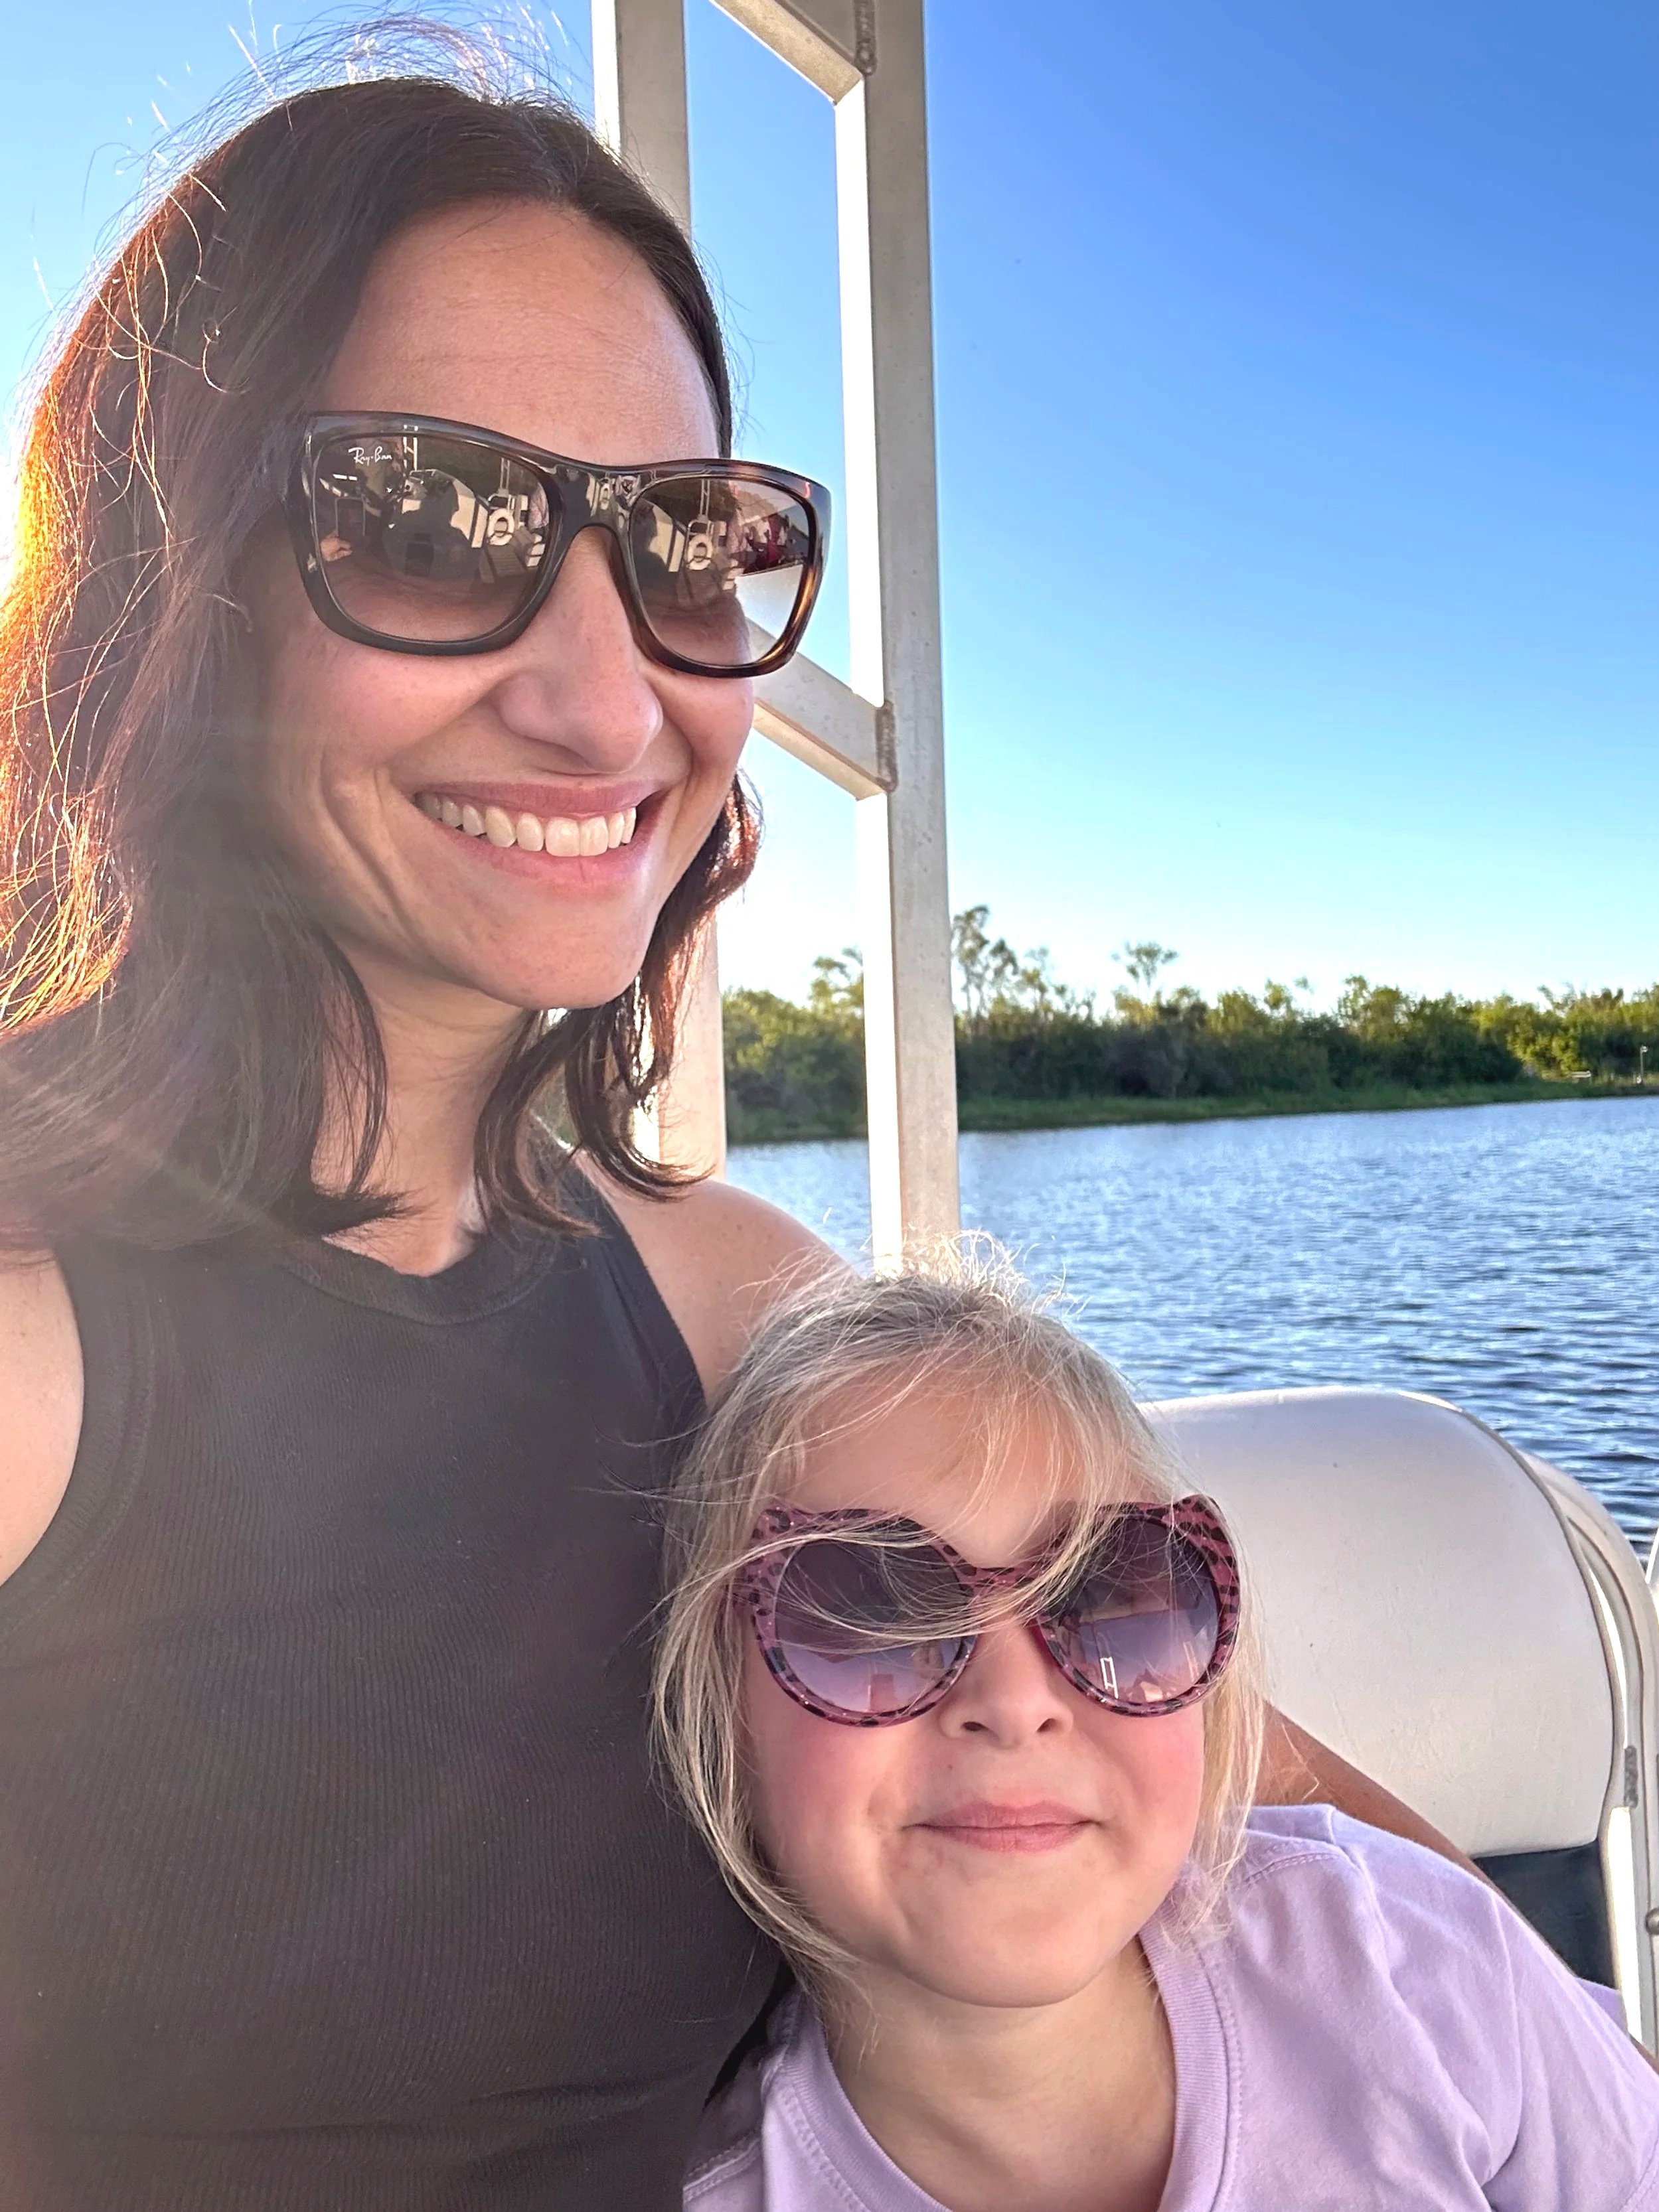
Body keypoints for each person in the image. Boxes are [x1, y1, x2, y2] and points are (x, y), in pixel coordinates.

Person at [0, 50, 1497, 2212]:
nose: (608, 704)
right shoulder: (37, 1356)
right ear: (170, 581)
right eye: (432, 524)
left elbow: (1281, 1825)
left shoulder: (726, 1311)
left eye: (688, 549)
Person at [657, 1266, 1659, 2211]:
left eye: (1111, 1595)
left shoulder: (1414, 1959)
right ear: (720, 1722)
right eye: (869, 1609)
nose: (1017, 1702)